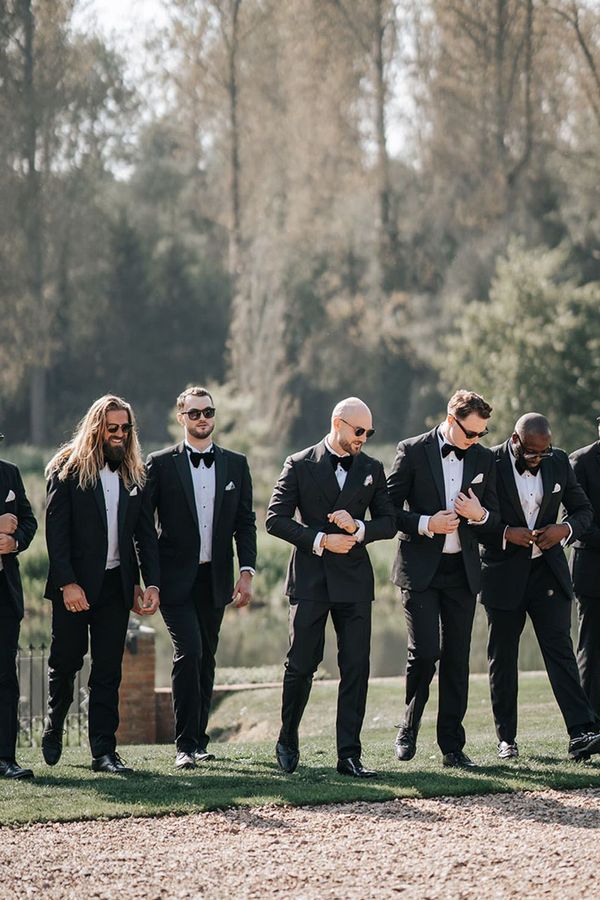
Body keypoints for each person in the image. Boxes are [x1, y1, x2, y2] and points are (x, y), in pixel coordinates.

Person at [266, 397, 396, 778]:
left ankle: (349, 755)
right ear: (337, 423)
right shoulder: (299, 463)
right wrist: (321, 540)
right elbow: (275, 519)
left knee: (356, 666)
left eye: (369, 433)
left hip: (355, 582)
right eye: (359, 431)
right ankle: (288, 739)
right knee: (302, 664)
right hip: (310, 580)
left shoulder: (372, 468)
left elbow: (388, 521)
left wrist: (359, 530)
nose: (364, 439)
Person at [43, 395, 160, 774]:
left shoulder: (134, 474)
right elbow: (56, 535)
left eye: (126, 428)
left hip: (115, 586)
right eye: (113, 428)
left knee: (108, 670)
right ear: (97, 428)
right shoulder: (66, 470)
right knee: (66, 662)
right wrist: (68, 584)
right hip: (75, 588)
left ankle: (104, 753)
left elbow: (144, 536)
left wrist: (150, 584)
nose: (120, 435)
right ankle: (54, 720)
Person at [387, 390, 499, 768]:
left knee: (457, 658)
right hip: (420, 570)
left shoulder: (484, 458)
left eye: (482, 434)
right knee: (425, 653)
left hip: (462, 572)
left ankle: (452, 745)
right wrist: (425, 523)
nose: (476, 441)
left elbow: (495, 518)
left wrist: (480, 514)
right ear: (452, 421)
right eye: (470, 434)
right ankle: (408, 727)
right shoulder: (412, 450)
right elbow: (388, 509)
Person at [146, 386, 257, 770]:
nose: (202, 418)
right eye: (194, 413)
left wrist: (246, 572)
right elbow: (144, 527)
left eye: (208, 411)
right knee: (188, 651)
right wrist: (150, 581)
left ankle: (199, 741)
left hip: (216, 579)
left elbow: (245, 523)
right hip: (174, 580)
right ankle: (183, 745)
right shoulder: (159, 464)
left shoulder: (235, 465)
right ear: (181, 418)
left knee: (206, 658)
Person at [480, 413, 600, 761]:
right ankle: (507, 739)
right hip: (503, 573)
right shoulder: (490, 462)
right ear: (516, 441)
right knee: (503, 656)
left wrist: (563, 531)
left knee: (560, 651)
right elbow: (476, 521)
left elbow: (583, 511)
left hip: (547, 571)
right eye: (533, 452)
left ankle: (581, 732)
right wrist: (506, 533)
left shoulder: (559, 460)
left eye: (544, 452)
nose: (539, 458)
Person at [0, 434, 37, 779]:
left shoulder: (9, 473)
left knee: (5, 678)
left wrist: (14, 541)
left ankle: (5, 759)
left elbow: (29, 521)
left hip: (4, 594)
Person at [570, 420, 600, 718]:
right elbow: (577, 522)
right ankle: (589, 723)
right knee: (591, 650)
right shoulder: (580, 462)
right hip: (592, 571)